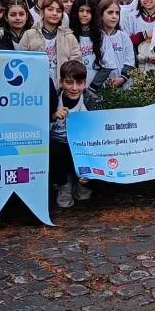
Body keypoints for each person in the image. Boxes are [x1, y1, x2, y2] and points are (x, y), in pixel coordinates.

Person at [50, 59, 101, 209]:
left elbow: (100, 135)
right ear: (61, 82)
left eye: (79, 83)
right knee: (54, 149)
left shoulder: (92, 101)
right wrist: (52, 115)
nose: (74, 88)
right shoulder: (52, 98)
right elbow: (39, 126)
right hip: (59, 143)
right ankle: (64, 184)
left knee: (95, 150)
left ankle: (84, 182)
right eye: (69, 82)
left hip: (82, 146)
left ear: (84, 84)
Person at [20, 0, 82, 80]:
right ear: (42, 12)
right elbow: (22, 61)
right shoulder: (29, 35)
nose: (54, 13)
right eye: (50, 9)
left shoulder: (69, 37)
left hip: (61, 84)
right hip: (35, 82)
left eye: (58, 11)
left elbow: (76, 63)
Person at [70, 0, 108, 88]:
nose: (84, 14)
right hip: (73, 86)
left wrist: (93, 87)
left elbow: (108, 65)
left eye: (88, 11)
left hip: (95, 87)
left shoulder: (101, 35)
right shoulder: (68, 35)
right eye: (81, 10)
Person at [99, 0, 135, 88]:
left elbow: (130, 61)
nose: (114, 16)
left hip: (124, 85)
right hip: (102, 86)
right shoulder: (96, 37)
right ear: (101, 14)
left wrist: (122, 78)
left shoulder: (124, 36)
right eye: (110, 12)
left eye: (117, 13)